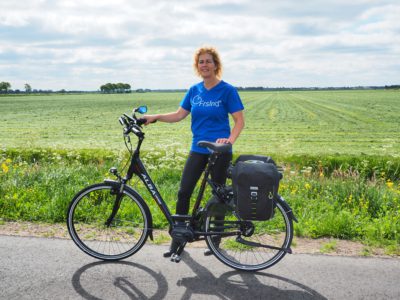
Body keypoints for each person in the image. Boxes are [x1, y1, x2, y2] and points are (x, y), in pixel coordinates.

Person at [144, 46, 244, 257]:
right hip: (198, 148)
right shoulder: (194, 90)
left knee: (218, 195)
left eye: (209, 61)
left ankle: (215, 241)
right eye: (201, 62)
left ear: (216, 65)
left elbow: (239, 121)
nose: (205, 65)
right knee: (184, 191)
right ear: (197, 67)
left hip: (219, 150)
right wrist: (156, 117)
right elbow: (180, 114)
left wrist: (229, 140)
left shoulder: (227, 90)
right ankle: (178, 241)